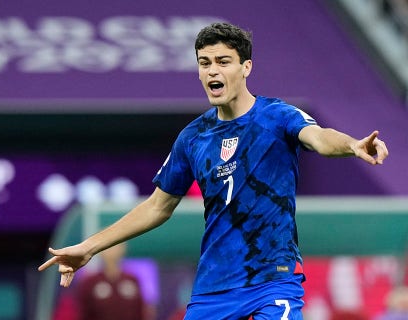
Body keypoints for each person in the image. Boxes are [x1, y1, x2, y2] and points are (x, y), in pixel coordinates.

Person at [38, 22, 389, 319]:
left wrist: (352, 145)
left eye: (223, 61)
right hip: (213, 289)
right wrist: (89, 247)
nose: (212, 71)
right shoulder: (193, 138)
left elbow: (320, 138)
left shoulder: (277, 116)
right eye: (204, 63)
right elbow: (158, 206)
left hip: (273, 280)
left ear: (246, 67)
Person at [75, 242, 148, 320]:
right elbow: (83, 312)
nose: (112, 250)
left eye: (116, 246)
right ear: (100, 251)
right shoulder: (90, 282)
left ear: (123, 249)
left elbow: (140, 311)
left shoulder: (132, 280)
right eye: (108, 247)